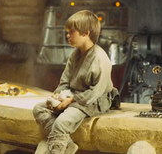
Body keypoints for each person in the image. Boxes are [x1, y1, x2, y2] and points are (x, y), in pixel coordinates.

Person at [33, 10, 117, 154]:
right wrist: (57, 95)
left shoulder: (100, 59)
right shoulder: (75, 54)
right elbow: (65, 80)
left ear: (86, 33)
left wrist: (71, 101)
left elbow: (95, 93)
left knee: (61, 123)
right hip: (73, 95)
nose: (68, 35)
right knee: (39, 109)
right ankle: (68, 145)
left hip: (93, 100)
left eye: (71, 32)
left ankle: (56, 151)